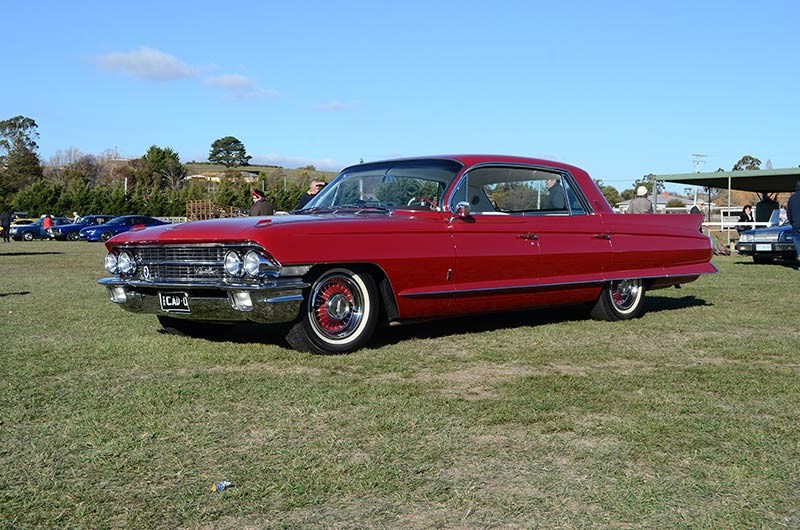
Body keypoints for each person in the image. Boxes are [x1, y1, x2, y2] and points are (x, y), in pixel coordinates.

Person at [787, 180, 800, 265]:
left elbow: (789, 213)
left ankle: (799, 253)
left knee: (797, 239)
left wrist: (793, 222)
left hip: (796, 224)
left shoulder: (792, 198)